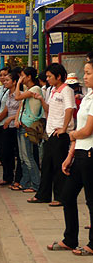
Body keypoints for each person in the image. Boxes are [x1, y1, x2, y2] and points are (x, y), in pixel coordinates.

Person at [47, 59, 93, 256]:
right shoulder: (87, 97)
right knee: (67, 195)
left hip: (90, 154)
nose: (85, 77)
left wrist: (71, 135)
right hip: (79, 153)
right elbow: (79, 129)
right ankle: (70, 239)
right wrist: (70, 155)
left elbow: (87, 130)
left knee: (91, 201)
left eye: (89, 73)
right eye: (85, 72)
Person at [28, 63, 76, 207]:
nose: (47, 79)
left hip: (60, 133)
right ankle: (43, 195)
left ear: (59, 76)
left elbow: (69, 109)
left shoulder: (66, 90)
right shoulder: (53, 91)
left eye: (49, 76)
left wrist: (64, 127)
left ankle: (61, 197)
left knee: (58, 165)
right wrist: (41, 99)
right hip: (50, 133)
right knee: (47, 165)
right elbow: (48, 109)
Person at [14, 67, 42, 193]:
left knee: (28, 157)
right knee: (22, 157)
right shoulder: (29, 90)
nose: (22, 78)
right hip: (22, 125)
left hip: (28, 126)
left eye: (23, 76)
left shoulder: (35, 89)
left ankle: (36, 184)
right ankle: (25, 182)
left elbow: (17, 97)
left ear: (29, 77)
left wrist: (18, 83)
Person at [0, 71, 21, 187]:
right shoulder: (7, 93)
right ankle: (7, 176)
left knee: (12, 153)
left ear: (14, 82)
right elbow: (5, 109)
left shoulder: (19, 95)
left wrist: (8, 119)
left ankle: (15, 178)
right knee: (3, 151)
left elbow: (20, 110)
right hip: (6, 125)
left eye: (8, 80)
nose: (5, 81)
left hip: (15, 126)